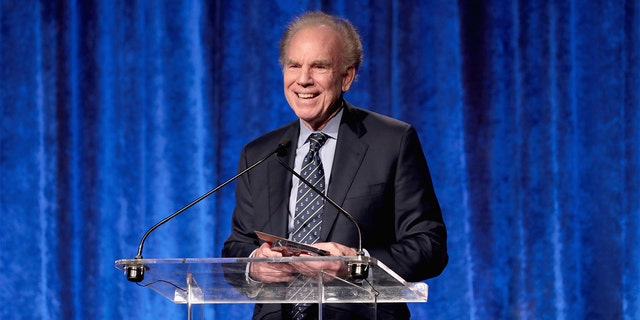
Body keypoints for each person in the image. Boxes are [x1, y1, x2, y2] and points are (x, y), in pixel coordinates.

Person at [222, 11, 448, 319]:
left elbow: (429, 247)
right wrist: (254, 263)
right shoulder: (260, 154)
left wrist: (355, 264)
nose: (303, 79)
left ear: (347, 76)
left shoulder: (392, 141)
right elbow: (237, 246)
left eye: (319, 66)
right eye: (294, 65)